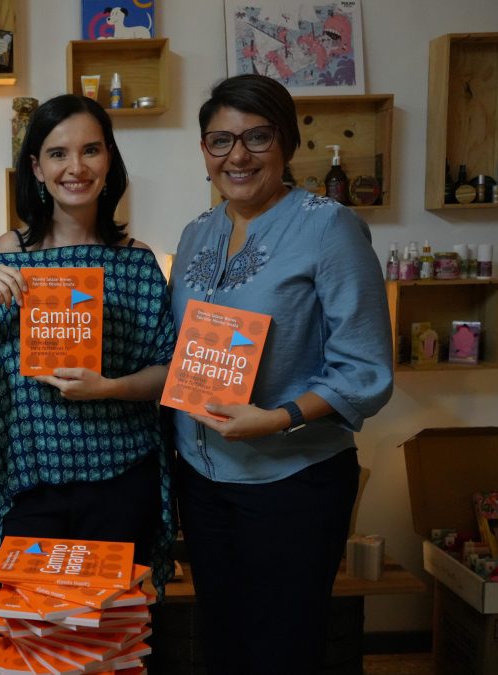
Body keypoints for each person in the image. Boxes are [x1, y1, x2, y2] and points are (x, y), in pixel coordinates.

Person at [170, 73, 393, 675]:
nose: (237, 155)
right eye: (220, 141)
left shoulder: (330, 227)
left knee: (282, 649)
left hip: (293, 482)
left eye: (257, 137)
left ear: (288, 143)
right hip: (203, 476)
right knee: (222, 640)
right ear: (204, 151)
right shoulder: (196, 234)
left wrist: (279, 417)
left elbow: (365, 368)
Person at [0, 94, 177, 607]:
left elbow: (168, 369)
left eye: (91, 150)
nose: (76, 167)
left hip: (120, 476)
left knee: (109, 638)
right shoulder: (7, 253)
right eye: (58, 153)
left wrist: (107, 388)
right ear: (36, 168)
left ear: (109, 161)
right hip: (23, 480)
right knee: (25, 636)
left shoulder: (137, 262)